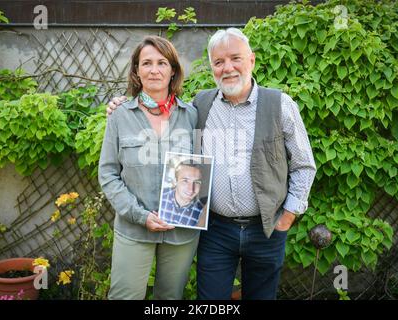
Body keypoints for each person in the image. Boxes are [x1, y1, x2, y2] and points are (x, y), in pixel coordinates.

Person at [107, 28, 316, 300]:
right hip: (216, 231)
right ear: (211, 67)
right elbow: (155, 114)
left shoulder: (280, 104)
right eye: (219, 62)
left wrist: (287, 218)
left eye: (235, 59)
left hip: (265, 229)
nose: (227, 68)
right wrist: (120, 104)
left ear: (251, 60)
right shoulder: (200, 106)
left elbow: (303, 165)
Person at [98, 35, 200, 300]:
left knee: (170, 299)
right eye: (147, 63)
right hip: (134, 229)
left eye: (162, 63)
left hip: (181, 232)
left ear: (173, 70)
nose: (154, 70)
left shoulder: (192, 115)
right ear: (136, 70)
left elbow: (202, 170)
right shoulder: (120, 115)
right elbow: (108, 174)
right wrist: (139, 215)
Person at [160, 160, 205, 227]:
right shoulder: (160, 197)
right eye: (185, 181)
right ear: (175, 181)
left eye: (197, 182)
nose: (191, 189)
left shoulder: (202, 212)